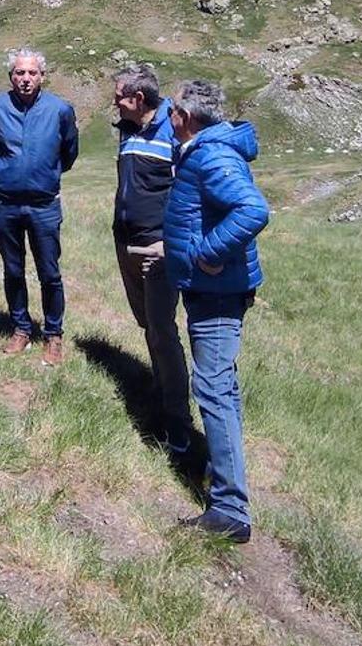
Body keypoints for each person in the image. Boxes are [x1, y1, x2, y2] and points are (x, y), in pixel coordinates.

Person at [163, 79, 269, 543]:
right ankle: (221, 471)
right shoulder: (204, 150)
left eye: (171, 109)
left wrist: (207, 252)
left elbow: (252, 211)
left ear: (184, 117)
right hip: (211, 287)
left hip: (217, 290)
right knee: (219, 383)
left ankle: (230, 509)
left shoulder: (213, 155)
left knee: (212, 387)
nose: (168, 116)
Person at [0, 47, 78, 366]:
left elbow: (70, 152)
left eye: (32, 73)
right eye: (19, 73)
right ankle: (21, 328)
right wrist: (7, 170)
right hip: (4, 203)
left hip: (44, 204)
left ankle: (53, 334)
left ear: (42, 76)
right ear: (11, 76)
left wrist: (46, 174)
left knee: (50, 272)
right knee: (13, 269)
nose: (25, 79)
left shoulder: (60, 109)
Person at [110, 64, 193, 453]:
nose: (114, 103)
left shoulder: (173, 132)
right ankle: (160, 391)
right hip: (125, 243)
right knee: (148, 325)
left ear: (138, 99)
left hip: (157, 249)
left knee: (162, 331)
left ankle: (178, 422)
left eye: (119, 98)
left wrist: (173, 240)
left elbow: (189, 191)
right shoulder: (127, 130)